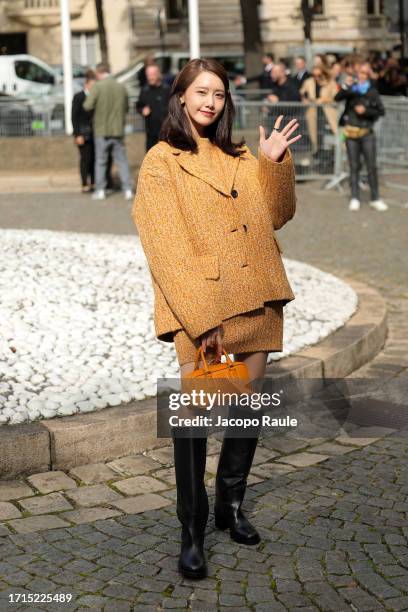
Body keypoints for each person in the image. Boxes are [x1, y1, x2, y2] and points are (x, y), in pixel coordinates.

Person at [131, 58, 301, 580]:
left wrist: (271, 163)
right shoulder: (161, 161)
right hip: (210, 306)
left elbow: (276, 214)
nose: (210, 102)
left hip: (259, 299)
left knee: (246, 410)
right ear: (181, 96)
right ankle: (192, 526)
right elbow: (164, 245)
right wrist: (201, 317)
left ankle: (230, 505)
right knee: (198, 417)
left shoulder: (242, 154)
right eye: (201, 92)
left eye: (220, 94)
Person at [335, 62, 388, 212]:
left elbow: (381, 111)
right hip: (351, 133)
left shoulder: (372, 91)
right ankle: (355, 197)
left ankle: (375, 198)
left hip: (367, 133)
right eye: (360, 73)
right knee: (354, 166)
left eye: (365, 73)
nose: (362, 76)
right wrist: (345, 85)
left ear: (368, 75)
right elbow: (337, 98)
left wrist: (365, 110)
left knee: (371, 166)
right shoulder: (351, 90)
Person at [83, 62, 133, 201]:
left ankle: (100, 190)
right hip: (118, 130)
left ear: (99, 73)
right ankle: (128, 189)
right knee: (122, 161)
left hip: (101, 130)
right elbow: (127, 108)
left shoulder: (98, 86)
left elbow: (87, 106)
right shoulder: (121, 87)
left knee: (101, 161)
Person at [300, 65, 338, 167]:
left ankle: (331, 161)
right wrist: (304, 99)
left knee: (329, 138)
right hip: (313, 113)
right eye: (314, 75)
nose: (316, 77)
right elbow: (301, 92)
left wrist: (324, 99)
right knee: (315, 137)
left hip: (327, 115)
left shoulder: (331, 83)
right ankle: (318, 160)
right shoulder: (308, 82)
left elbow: (336, 97)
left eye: (319, 75)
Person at [136, 64, 170, 152]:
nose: (150, 77)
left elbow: (174, 109)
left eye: (153, 74)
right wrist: (142, 110)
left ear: (158, 74)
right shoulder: (145, 90)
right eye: (148, 75)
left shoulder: (167, 90)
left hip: (166, 133)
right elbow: (139, 105)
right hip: (150, 132)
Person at [71, 69, 95, 193]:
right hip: (82, 133)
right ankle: (84, 183)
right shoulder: (78, 97)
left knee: (94, 158)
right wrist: (77, 134)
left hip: (94, 133)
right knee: (85, 158)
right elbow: (74, 117)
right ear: (86, 85)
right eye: (91, 86)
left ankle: (94, 182)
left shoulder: (96, 97)